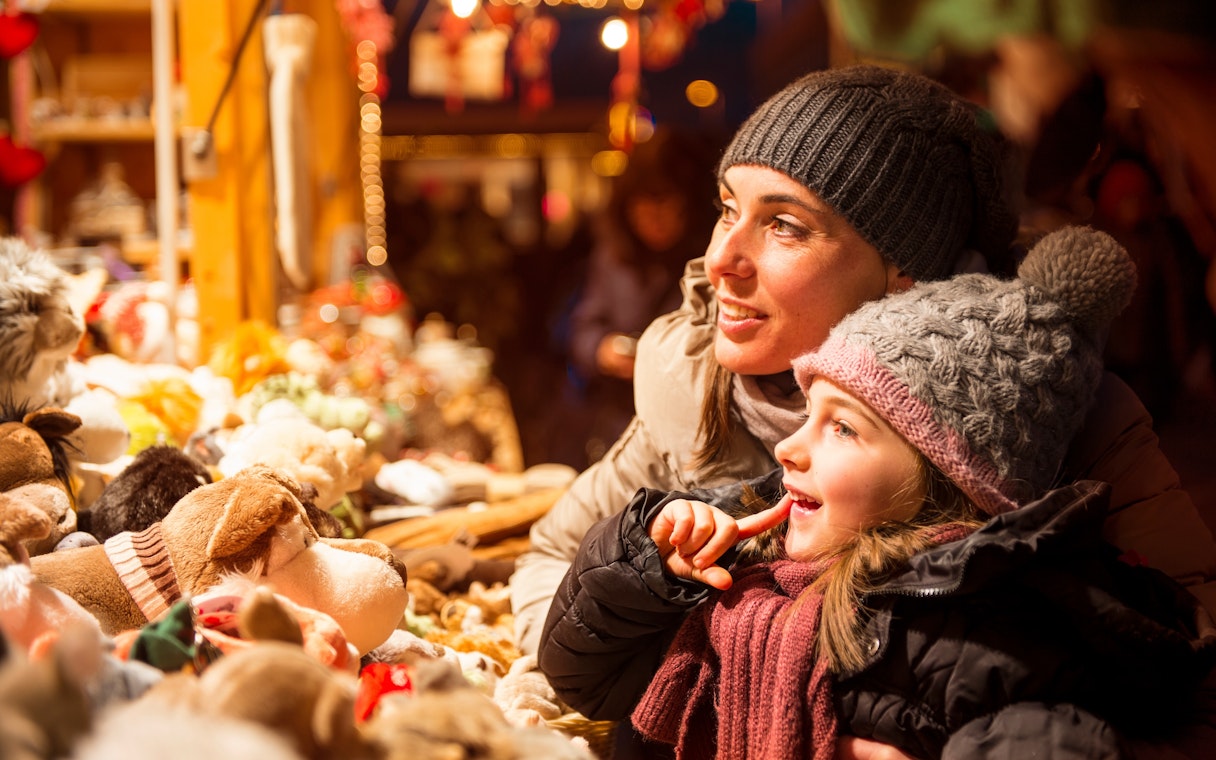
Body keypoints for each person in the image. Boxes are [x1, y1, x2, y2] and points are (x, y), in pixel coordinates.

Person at [509, 64, 1216, 660]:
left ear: (902, 271)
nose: (720, 259)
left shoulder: (1054, 409)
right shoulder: (694, 389)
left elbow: (1200, 668)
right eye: (728, 209)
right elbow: (551, 559)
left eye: (784, 225)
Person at [539, 226, 1216, 759]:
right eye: (808, 413)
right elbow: (586, 679)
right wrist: (645, 568)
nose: (788, 447)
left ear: (947, 476)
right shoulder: (752, 575)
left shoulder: (994, 643)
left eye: (842, 427)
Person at [547, 126, 720, 468]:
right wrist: (602, 350)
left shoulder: (711, 262)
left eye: (665, 201)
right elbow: (582, 327)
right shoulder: (613, 257)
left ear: (688, 204)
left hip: (690, 424)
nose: (653, 216)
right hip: (615, 420)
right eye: (642, 203)